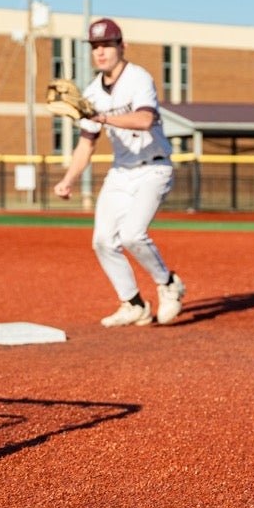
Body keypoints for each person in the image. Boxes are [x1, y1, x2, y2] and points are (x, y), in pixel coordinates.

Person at [53, 17, 186, 327]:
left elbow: (144, 119)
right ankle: (134, 304)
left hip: (154, 167)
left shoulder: (138, 78)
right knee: (102, 241)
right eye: (95, 46)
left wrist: (101, 117)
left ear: (121, 46)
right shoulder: (91, 93)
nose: (100, 52)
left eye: (107, 45)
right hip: (121, 172)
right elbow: (86, 143)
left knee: (132, 234)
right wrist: (68, 179)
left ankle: (168, 283)